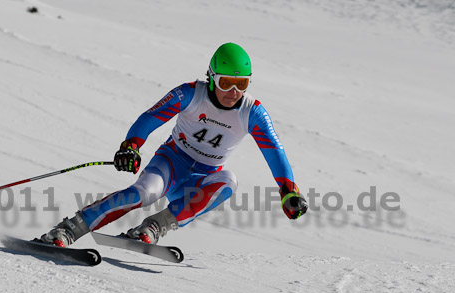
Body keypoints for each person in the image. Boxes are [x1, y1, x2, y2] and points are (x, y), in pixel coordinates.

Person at [40, 42, 308, 247]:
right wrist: (131, 146)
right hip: (172, 163)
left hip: (203, 178)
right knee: (143, 194)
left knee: (230, 181)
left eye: (242, 84)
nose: (233, 92)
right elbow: (150, 117)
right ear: (212, 77)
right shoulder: (191, 93)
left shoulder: (253, 112)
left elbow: (274, 151)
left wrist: (288, 190)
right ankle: (68, 230)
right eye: (226, 83)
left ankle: (154, 227)